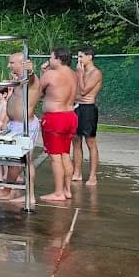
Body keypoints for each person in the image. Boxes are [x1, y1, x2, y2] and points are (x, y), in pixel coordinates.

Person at [0, 53, 43, 207]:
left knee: (18, 162)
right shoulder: (19, 80)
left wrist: (30, 71)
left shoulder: (30, 80)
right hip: (16, 125)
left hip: (24, 126)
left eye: (12, 63)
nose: (9, 66)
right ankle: (19, 193)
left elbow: (32, 78)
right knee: (21, 161)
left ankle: (8, 191)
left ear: (22, 63)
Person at [38, 47, 78, 203]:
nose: (49, 61)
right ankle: (67, 190)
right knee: (65, 154)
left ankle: (58, 192)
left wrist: (42, 72)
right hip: (70, 116)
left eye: (51, 58)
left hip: (56, 118)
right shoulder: (74, 74)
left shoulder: (51, 74)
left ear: (58, 59)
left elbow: (38, 91)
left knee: (55, 157)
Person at [73, 47, 103, 186]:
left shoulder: (95, 73)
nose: (78, 60)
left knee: (90, 142)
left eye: (81, 57)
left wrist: (79, 74)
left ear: (89, 57)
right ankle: (77, 172)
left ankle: (92, 176)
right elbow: (75, 91)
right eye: (78, 57)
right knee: (76, 140)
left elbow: (84, 91)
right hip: (77, 107)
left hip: (88, 109)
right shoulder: (79, 72)